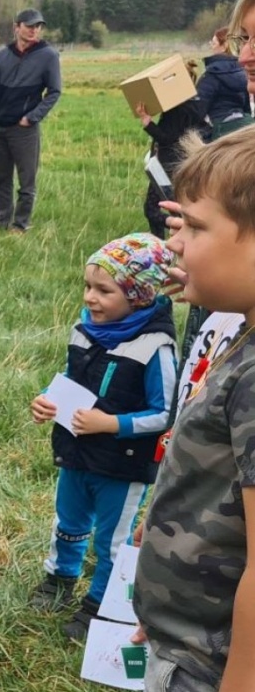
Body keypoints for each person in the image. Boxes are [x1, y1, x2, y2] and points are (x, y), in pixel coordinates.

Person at [132, 129, 255, 692]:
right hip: (193, 645)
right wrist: (170, 613)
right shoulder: (241, 333)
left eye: (196, 227)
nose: (174, 245)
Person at [28, 233, 176, 641]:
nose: (90, 298)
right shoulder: (84, 330)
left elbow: (165, 413)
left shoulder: (155, 348)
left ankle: (100, 605)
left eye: (104, 290)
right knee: (68, 520)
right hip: (76, 451)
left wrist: (111, 424)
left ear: (140, 295)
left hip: (122, 463)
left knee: (112, 539)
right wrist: (47, 401)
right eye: (88, 286)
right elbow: (69, 378)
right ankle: (59, 577)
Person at [0, 8, 62, 233]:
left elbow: (54, 91)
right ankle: (1, 222)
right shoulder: (2, 55)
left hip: (24, 130)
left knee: (26, 182)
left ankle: (20, 224)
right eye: (29, 26)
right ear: (16, 27)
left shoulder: (48, 55)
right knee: (0, 180)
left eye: (38, 26)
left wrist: (31, 118)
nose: (34, 30)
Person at [134, 61, 209, 238]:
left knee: (153, 210)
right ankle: (173, 238)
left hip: (168, 165)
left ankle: (164, 242)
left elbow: (167, 137)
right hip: (184, 162)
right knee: (173, 205)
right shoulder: (195, 102)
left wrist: (147, 122)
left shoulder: (177, 108)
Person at [198, 27, 252, 140]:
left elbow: (197, 112)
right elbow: (247, 107)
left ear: (224, 46)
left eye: (213, 43)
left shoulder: (211, 75)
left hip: (219, 129)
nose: (211, 46)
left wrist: (207, 137)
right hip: (244, 126)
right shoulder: (244, 72)